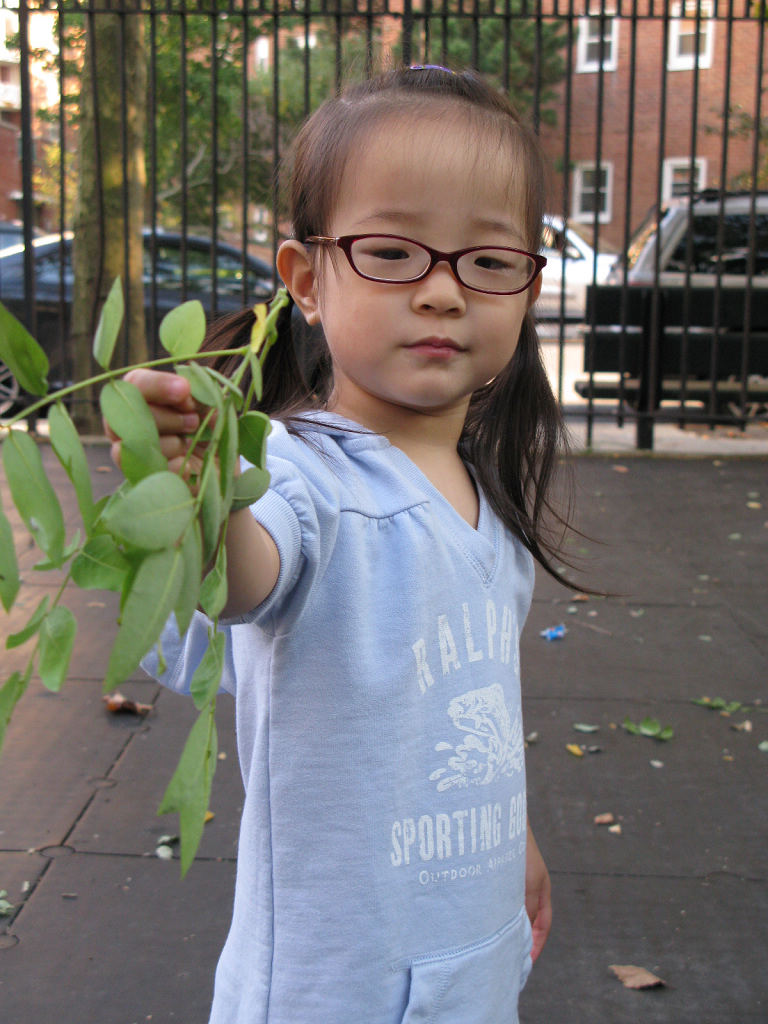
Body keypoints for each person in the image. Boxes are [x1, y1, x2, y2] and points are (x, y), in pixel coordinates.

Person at [109, 65, 569, 1024]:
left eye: (487, 260)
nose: (444, 292)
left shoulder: (484, 499)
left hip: (470, 967)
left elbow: (459, 710)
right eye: (395, 252)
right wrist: (195, 487)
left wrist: (510, 838)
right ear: (309, 281)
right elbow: (243, 574)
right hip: (335, 990)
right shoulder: (297, 473)